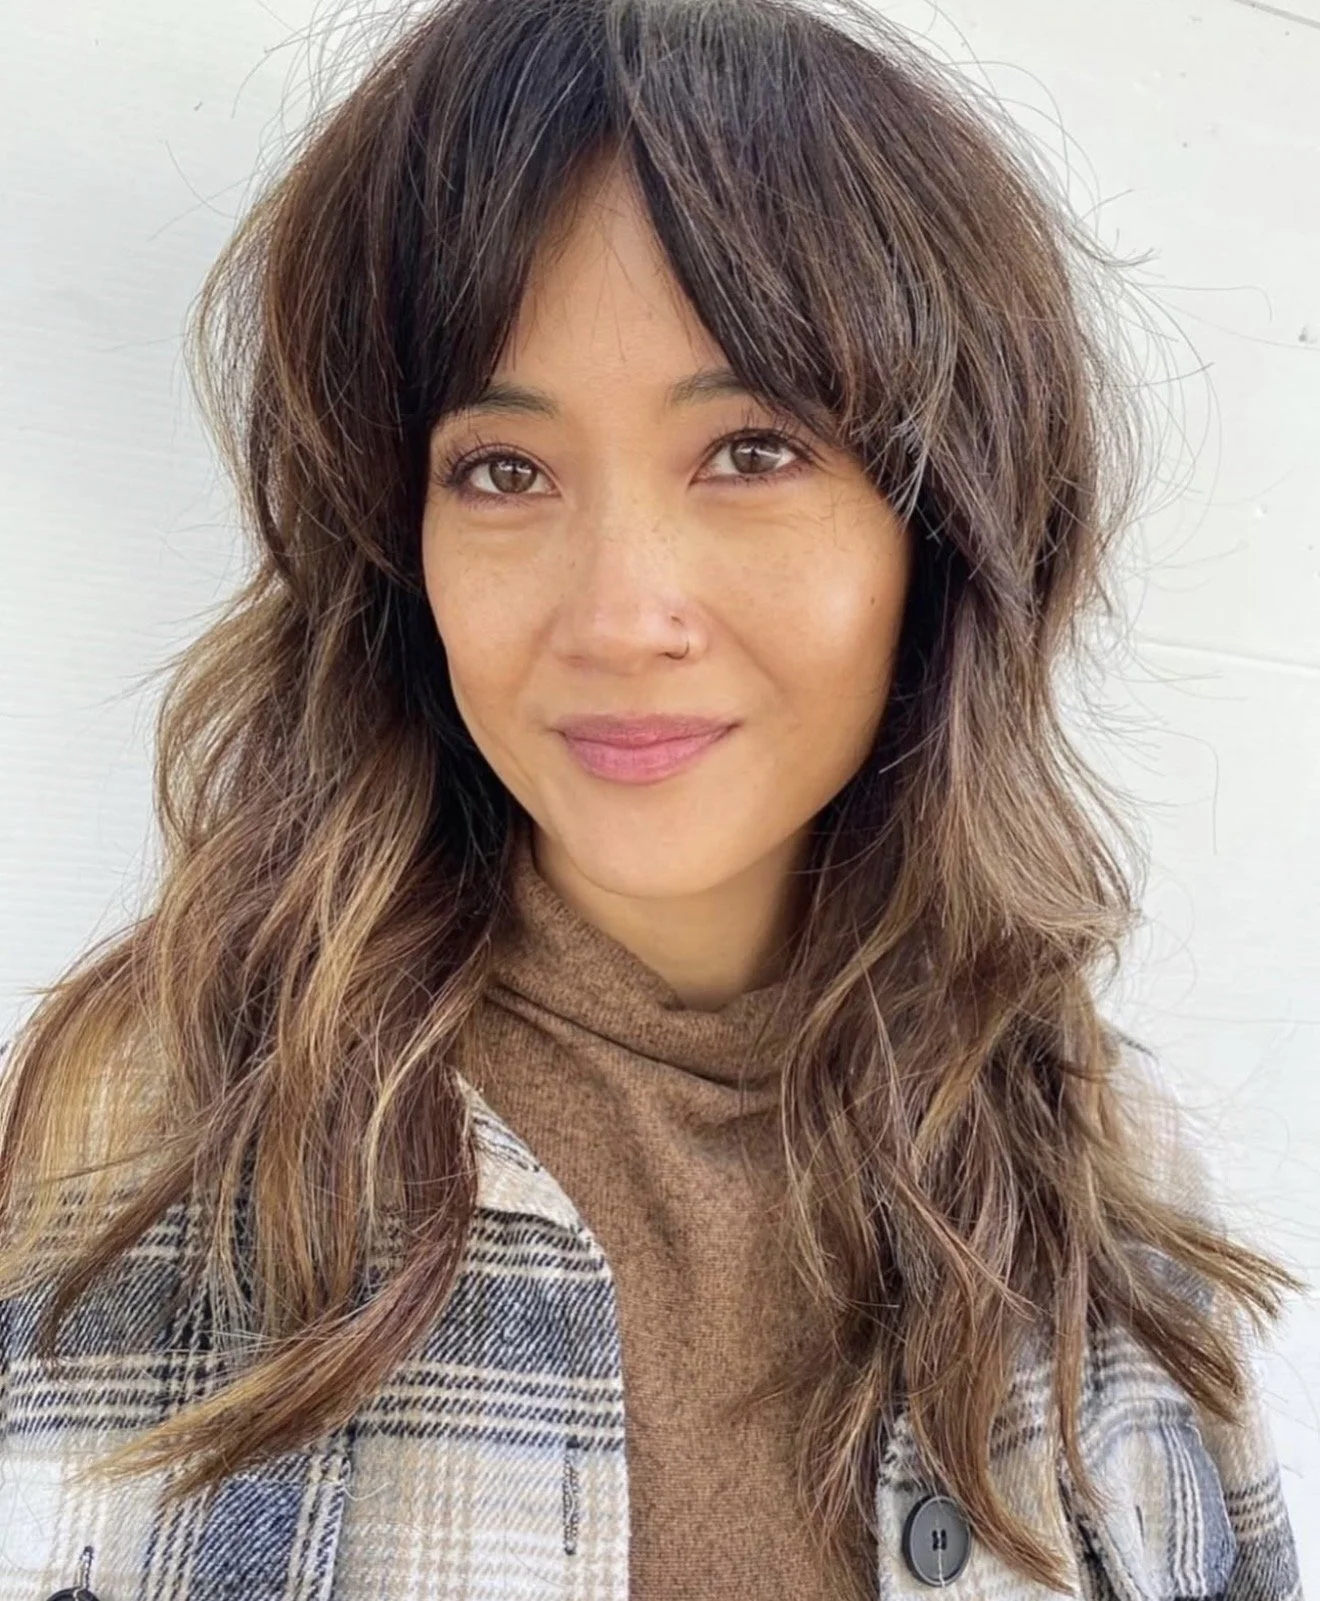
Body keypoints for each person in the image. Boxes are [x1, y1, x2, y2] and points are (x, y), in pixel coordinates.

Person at [0, 0, 1304, 1597]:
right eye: (501, 470)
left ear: (940, 526)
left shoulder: (1100, 1168)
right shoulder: (142, 1134)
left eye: (752, 450)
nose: (619, 616)